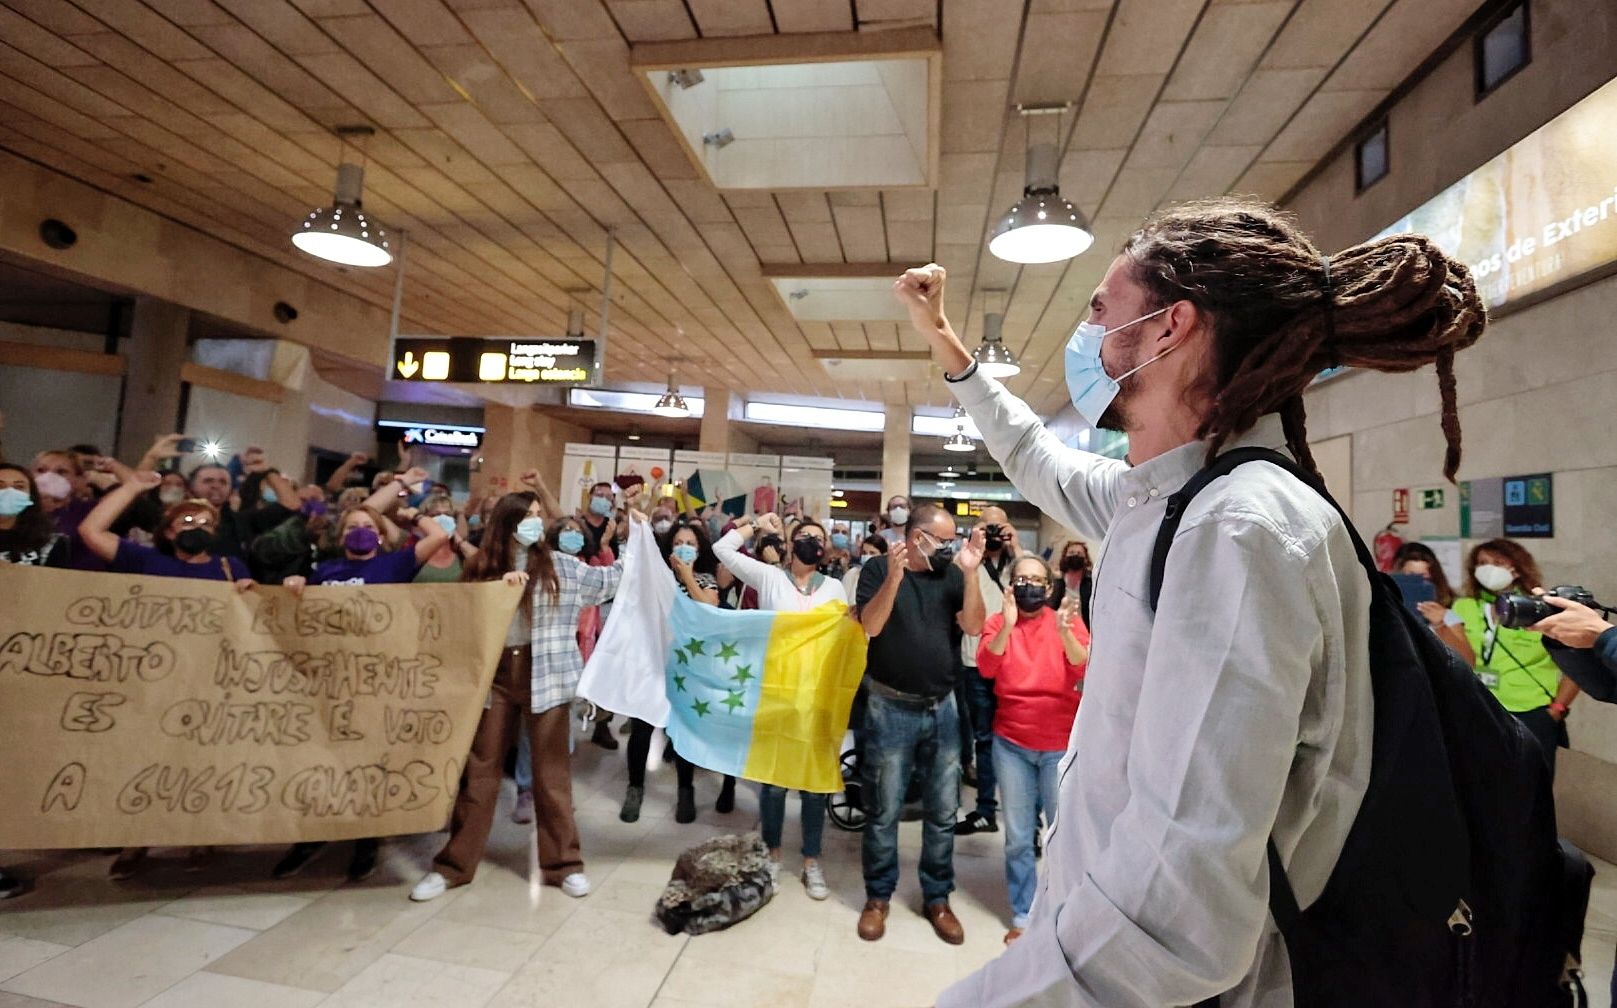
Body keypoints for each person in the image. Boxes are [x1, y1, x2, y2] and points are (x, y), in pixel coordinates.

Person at [892, 193, 1486, 1004]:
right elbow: (1036, 457)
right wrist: (947, 346)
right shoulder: (1172, 502)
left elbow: (1174, 912)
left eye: (1101, 307)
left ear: (1170, 327)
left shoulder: (1234, 531)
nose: (1087, 329)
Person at [410, 491, 626, 903]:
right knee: (481, 770)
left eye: (538, 515)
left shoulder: (560, 565)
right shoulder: (482, 567)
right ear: (506, 523)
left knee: (551, 774)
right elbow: (457, 616)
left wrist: (638, 546)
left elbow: (609, 580)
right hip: (493, 677)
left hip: (546, 672)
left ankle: (564, 864)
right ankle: (453, 866)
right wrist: (498, 590)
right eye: (527, 515)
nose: (536, 522)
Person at [78, 470, 255, 879]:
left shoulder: (229, 566)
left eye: (206, 523)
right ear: (168, 531)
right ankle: (137, 838)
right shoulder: (144, 560)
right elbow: (91, 530)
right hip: (150, 681)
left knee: (203, 759)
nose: (197, 528)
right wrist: (133, 488)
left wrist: (250, 595)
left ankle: (199, 834)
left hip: (209, 679)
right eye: (187, 522)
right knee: (144, 758)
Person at [272, 503, 449, 881]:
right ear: (341, 536)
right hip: (330, 682)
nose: (360, 531)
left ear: (380, 535)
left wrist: (411, 514)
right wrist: (296, 587)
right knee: (323, 760)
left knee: (371, 763)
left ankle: (366, 841)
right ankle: (312, 838)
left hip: (376, 680)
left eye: (368, 526)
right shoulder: (324, 571)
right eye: (352, 526)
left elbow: (438, 537)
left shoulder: (394, 565)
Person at [853, 503, 986, 945]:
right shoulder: (875, 569)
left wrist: (970, 574)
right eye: (942, 540)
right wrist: (895, 576)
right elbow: (870, 626)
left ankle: (937, 897)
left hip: (942, 706)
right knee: (884, 808)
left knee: (943, 811)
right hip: (890, 707)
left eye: (953, 540)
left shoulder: (951, 574)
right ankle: (878, 896)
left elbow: (974, 626)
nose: (949, 548)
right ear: (916, 538)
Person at [714, 513, 849, 900]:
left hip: (817, 696)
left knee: (813, 784)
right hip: (775, 692)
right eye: (802, 535)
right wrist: (756, 525)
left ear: (825, 549)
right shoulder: (770, 577)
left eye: (817, 537)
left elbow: (843, 640)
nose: (810, 541)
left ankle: (810, 860)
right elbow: (721, 549)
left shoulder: (835, 589)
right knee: (772, 783)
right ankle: (772, 854)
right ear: (788, 544)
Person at [977, 555, 1089, 945]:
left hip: (1059, 746)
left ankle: (1061, 912)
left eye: (1037, 580)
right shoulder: (998, 622)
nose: (1029, 585)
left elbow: (1083, 667)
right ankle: (1023, 913)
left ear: (1049, 586)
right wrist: (1007, 625)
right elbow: (987, 668)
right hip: (1012, 745)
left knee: (1063, 835)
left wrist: (1065, 632)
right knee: (1019, 837)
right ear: (1011, 584)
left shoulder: (1065, 621)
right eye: (1022, 578)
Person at [620, 517, 736, 824]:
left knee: (683, 729)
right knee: (642, 727)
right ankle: (635, 787)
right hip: (651, 663)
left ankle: (686, 791)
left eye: (691, 544)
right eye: (678, 543)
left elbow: (709, 608)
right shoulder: (653, 578)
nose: (684, 549)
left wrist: (687, 577)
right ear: (668, 547)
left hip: (687, 668)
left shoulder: (705, 579)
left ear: (699, 551)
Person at [1452, 539, 1577, 773]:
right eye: (1482, 563)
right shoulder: (1464, 607)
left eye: (1497, 563)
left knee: (1531, 785)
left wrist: (1556, 710)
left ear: (1517, 569)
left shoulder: (1540, 609)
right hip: (1480, 707)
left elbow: (1577, 667)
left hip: (1531, 711)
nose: (1488, 569)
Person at [955, 505, 1016, 837]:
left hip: (1013, 664)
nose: (993, 534)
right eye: (987, 528)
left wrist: (1016, 548)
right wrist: (972, 558)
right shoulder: (966, 561)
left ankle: (1023, 819)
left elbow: (1040, 588)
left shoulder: (1019, 563)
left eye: (999, 528)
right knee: (983, 739)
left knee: (1014, 739)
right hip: (974, 661)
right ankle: (985, 810)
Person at [1391, 541, 1475, 665]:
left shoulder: (1447, 616)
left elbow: (1468, 662)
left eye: (1424, 578)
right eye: (1411, 578)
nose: (1418, 585)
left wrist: (1440, 625)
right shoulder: (1386, 611)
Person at [0, 463, 69, 567]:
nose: (9, 492)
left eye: (19, 487)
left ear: (31, 496)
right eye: (0, 486)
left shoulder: (50, 542)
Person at [1046, 539, 1093, 627]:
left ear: (1086, 559)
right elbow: (1050, 608)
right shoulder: (1056, 582)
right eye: (1071, 553)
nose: (1075, 555)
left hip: (1086, 631)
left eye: (1079, 553)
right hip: (1058, 629)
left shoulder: (1092, 583)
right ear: (1065, 557)